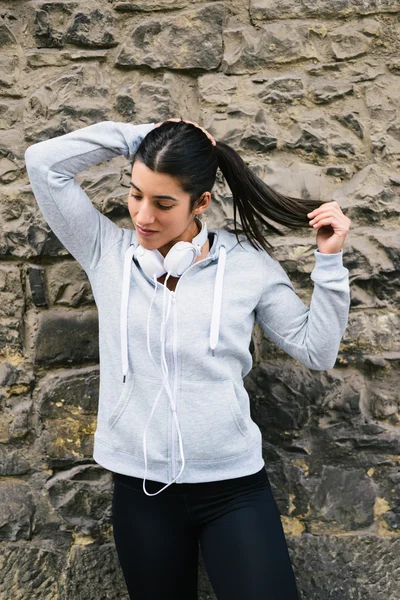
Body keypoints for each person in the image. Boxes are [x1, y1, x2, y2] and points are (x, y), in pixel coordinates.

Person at [24, 115, 351, 600]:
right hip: (141, 490)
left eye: (163, 203)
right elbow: (41, 162)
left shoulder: (246, 264)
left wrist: (329, 263)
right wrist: (144, 134)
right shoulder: (106, 252)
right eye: (135, 194)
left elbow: (317, 350)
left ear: (201, 202)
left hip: (233, 489)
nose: (143, 216)